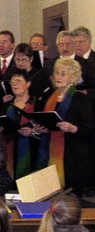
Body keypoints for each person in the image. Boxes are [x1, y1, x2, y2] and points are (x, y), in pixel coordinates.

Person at [34, 58, 93, 196]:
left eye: (63, 74)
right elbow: (45, 122)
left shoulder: (79, 98)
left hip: (72, 159)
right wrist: (37, 129)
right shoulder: (49, 97)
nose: (58, 77)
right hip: (49, 152)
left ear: (73, 77)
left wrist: (73, 128)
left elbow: (89, 131)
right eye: (57, 73)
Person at [1, 70, 38, 179]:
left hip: (31, 149)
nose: (15, 84)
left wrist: (33, 131)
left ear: (28, 84)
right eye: (12, 82)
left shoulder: (36, 104)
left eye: (19, 81)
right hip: (9, 149)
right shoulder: (7, 106)